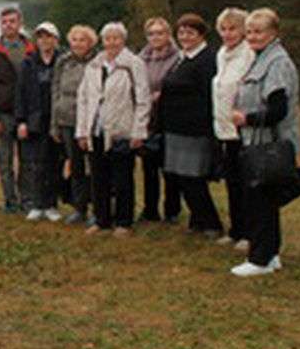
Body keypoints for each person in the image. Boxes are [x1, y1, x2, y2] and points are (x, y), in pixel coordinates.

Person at [231, 8, 300, 276]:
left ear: (273, 34)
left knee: (260, 202)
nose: (252, 37)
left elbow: (278, 110)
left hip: (269, 146)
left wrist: (246, 118)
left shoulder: (277, 63)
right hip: (257, 144)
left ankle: (259, 259)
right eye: (249, 31)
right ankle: (270, 255)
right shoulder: (261, 59)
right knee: (263, 202)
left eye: (258, 31)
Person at [76, 22, 150, 237]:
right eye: (107, 38)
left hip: (121, 129)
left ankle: (124, 222)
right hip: (96, 129)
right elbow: (84, 99)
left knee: (122, 178)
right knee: (98, 178)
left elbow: (143, 99)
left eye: (116, 38)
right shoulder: (94, 65)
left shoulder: (133, 64)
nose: (111, 42)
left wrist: (139, 131)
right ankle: (101, 220)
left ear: (123, 40)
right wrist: (82, 131)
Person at [160, 13, 224, 238]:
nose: (185, 37)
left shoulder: (207, 60)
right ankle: (198, 220)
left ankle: (212, 224)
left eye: (190, 32)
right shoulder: (183, 58)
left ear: (201, 34)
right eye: (181, 32)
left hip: (195, 130)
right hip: (176, 128)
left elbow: (209, 95)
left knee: (194, 178)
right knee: (181, 178)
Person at [0, 7, 35, 212]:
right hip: (2, 114)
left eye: (12, 21)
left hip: (27, 115)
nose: (8, 25)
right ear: (0, 25)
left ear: (20, 23)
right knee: (4, 162)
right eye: (5, 22)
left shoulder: (32, 49)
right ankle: (10, 200)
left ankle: (27, 199)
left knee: (27, 161)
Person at [212, 8, 255, 250]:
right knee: (232, 182)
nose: (228, 34)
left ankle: (249, 232)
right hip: (224, 128)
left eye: (233, 28)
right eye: (224, 29)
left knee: (246, 183)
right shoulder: (221, 54)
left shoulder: (248, 54)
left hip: (243, 129)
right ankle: (236, 228)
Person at [50, 24, 97, 224]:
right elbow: (56, 91)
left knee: (95, 167)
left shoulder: (97, 62)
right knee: (75, 167)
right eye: (75, 39)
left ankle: (98, 209)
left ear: (91, 43)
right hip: (67, 120)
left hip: (90, 122)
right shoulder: (63, 62)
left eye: (82, 40)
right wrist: (55, 123)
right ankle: (79, 208)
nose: (78, 43)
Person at [17, 22, 63, 222]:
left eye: (48, 37)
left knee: (54, 164)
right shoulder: (28, 63)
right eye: (41, 37)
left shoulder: (62, 62)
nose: (45, 41)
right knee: (35, 164)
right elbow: (20, 94)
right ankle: (37, 204)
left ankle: (51, 204)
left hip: (56, 121)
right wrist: (21, 121)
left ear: (56, 40)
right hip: (34, 121)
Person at [138, 17, 182, 223]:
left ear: (168, 35)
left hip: (169, 118)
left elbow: (177, 85)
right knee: (148, 168)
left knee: (169, 167)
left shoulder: (177, 58)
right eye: (152, 34)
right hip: (147, 119)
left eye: (160, 33)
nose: (155, 37)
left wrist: (159, 95)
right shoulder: (141, 58)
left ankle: (172, 210)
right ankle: (150, 209)